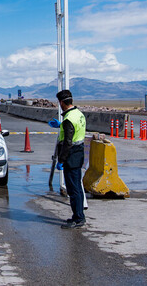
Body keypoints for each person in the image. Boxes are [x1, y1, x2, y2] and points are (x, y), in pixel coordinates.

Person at [56, 89, 87, 229]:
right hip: (79, 154)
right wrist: (61, 125)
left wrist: (61, 160)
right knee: (77, 188)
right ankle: (78, 216)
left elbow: (68, 142)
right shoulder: (78, 114)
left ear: (62, 102)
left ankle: (79, 218)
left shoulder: (68, 119)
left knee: (73, 190)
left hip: (71, 157)